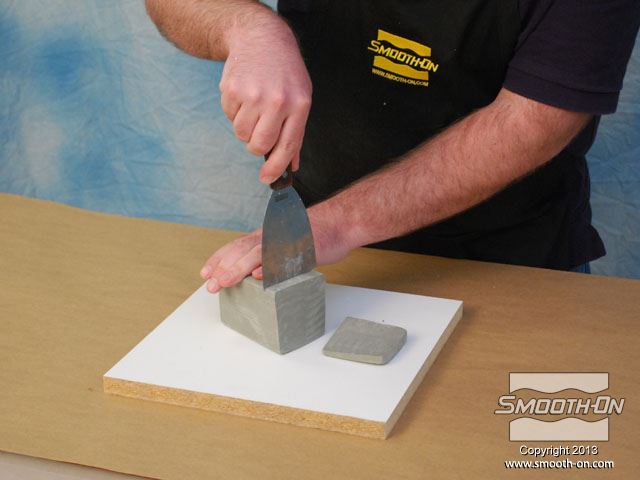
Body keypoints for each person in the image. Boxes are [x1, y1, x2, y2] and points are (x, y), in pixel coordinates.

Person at [145, 0, 640, 292]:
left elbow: (535, 122)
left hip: (512, 268)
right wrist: (249, 28)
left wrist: (339, 222)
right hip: (329, 263)